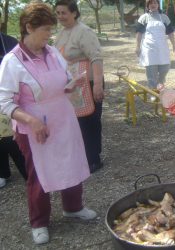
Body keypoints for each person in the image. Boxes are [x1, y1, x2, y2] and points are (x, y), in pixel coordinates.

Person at [0, 2, 97, 244]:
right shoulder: (12, 62)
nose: (50, 35)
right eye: (45, 30)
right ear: (29, 28)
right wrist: (31, 120)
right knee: (39, 174)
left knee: (71, 162)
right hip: (35, 127)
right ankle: (39, 222)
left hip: (63, 119)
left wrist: (70, 84)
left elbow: (62, 78)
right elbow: (4, 101)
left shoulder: (52, 52)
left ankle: (73, 207)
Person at [55, 0, 104, 173]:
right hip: (73, 84)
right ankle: (82, 155)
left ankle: (94, 159)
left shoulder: (84, 31)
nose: (60, 16)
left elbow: (96, 58)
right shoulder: (61, 34)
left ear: (74, 13)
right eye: (58, 13)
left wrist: (97, 84)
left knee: (90, 121)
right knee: (77, 121)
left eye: (64, 12)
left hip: (89, 81)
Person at [0, 16, 27, 188]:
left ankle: (27, 171)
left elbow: (21, 68)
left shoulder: (9, 42)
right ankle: (2, 172)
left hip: (7, 95)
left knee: (10, 135)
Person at [135, 0, 175, 91]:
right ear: (147, 6)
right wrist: (137, 47)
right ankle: (153, 93)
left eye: (155, 3)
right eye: (151, 3)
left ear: (158, 5)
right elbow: (139, 33)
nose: (153, 5)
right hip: (149, 49)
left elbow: (170, 33)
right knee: (151, 73)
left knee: (165, 68)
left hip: (162, 48)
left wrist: (174, 45)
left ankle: (160, 85)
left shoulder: (164, 18)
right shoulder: (144, 18)